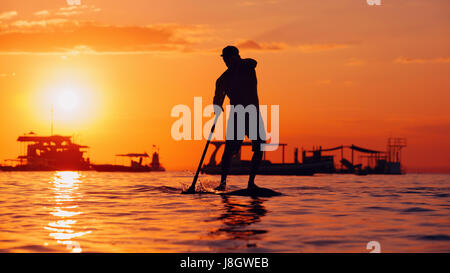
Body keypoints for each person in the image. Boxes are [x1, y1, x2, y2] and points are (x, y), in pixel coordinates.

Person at [213, 45, 265, 191]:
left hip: (253, 113)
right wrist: (217, 107)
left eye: (228, 58)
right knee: (229, 150)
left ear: (235, 57)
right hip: (237, 115)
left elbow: (254, 62)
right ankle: (222, 184)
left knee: (259, 145)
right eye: (224, 59)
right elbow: (217, 99)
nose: (226, 62)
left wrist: (238, 63)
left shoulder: (248, 66)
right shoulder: (223, 79)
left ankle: (251, 183)